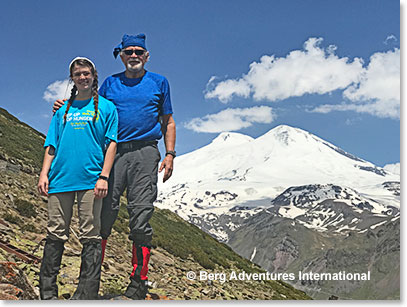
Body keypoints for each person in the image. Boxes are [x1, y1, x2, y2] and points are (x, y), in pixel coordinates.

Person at [53, 34, 176, 300]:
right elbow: (89, 103)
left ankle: (139, 282)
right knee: (103, 218)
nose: (134, 55)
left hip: (145, 152)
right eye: (129, 51)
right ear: (121, 55)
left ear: (146, 55)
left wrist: (170, 155)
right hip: (113, 153)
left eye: (139, 52)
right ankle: (89, 286)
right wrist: (66, 106)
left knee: (140, 218)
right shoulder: (110, 83)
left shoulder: (159, 83)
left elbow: (168, 121)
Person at [39, 57, 118, 300]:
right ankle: (48, 294)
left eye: (86, 73)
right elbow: (52, 144)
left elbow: (112, 144)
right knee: (55, 233)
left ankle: (86, 295)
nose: (82, 77)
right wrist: (44, 172)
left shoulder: (106, 108)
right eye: (77, 74)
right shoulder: (62, 110)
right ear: (72, 78)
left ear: (94, 76)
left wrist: (104, 176)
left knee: (90, 235)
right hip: (60, 179)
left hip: (90, 180)